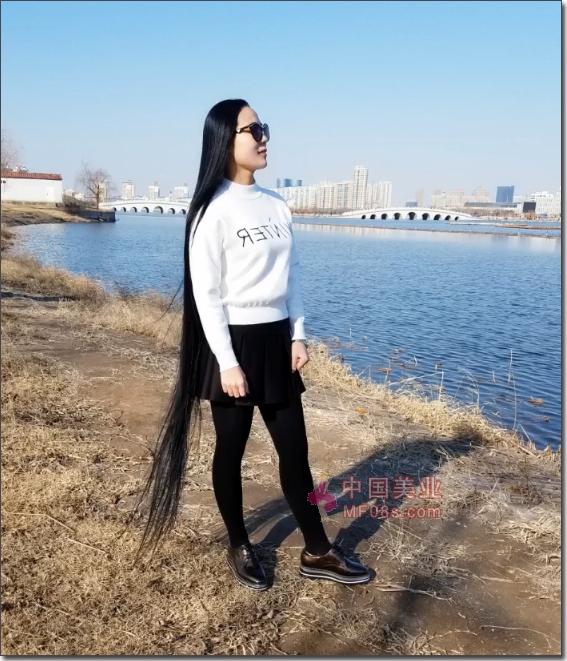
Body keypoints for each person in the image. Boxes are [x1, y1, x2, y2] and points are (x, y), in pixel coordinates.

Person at [133, 98, 371, 591]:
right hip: (233, 344)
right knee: (232, 450)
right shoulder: (211, 211)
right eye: (253, 129)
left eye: (264, 128)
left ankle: (317, 549)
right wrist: (226, 362)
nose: (263, 138)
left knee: (295, 451)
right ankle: (240, 543)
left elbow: (292, 275)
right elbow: (206, 294)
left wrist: (298, 334)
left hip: (277, 339)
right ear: (226, 139)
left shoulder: (276, 204)